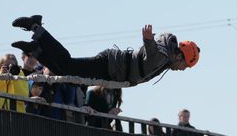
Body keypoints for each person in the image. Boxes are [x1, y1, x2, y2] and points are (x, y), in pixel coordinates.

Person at [10, 15, 200, 86]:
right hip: (109, 66)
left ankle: (37, 49)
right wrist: (147, 41)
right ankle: (37, 28)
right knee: (66, 64)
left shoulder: (166, 55)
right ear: (181, 56)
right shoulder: (162, 55)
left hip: (112, 69)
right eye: (185, 65)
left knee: (63, 70)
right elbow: (152, 52)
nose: (182, 69)